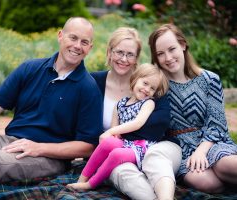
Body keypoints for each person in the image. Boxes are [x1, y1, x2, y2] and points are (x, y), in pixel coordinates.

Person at [0, 17, 103, 199]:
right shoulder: (30, 68)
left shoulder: (88, 88)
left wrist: (40, 148)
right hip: (9, 142)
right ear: (60, 36)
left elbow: (87, 147)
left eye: (84, 42)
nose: (78, 45)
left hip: (48, 158)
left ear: (90, 48)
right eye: (73, 38)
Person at [85, 27, 182, 200]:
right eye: (119, 52)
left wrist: (114, 135)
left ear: (137, 59)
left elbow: (157, 128)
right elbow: (85, 126)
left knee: (154, 158)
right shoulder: (93, 82)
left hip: (157, 147)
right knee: (121, 172)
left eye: (130, 54)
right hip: (117, 152)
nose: (123, 59)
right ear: (109, 52)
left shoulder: (151, 86)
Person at [148, 23, 237, 193]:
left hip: (211, 142)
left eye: (172, 49)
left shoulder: (210, 79)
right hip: (180, 148)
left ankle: (222, 171)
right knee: (209, 184)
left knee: (228, 166)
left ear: (182, 45)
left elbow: (217, 124)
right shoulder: (157, 86)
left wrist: (202, 151)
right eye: (160, 53)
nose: (168, 57)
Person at [67, 63, 169, 190]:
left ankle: (90, 184)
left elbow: (137, 123)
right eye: (145, 83)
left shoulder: (148, 103)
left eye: (152, 88)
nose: (147, 89)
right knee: (107, 143)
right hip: (125, 142)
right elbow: (116, 133)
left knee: (116, 154)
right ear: (135, 79)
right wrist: (111, 135)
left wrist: (110, 132)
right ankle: (82, 179)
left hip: (140, 147)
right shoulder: (120, 104)